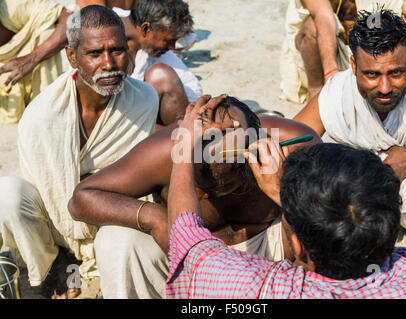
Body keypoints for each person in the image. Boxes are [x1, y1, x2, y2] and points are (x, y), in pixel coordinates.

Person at [165, 98, 406, 298]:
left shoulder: (257, 288)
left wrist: (185, 145)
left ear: (297, 247)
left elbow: (188, 239)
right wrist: (281, 192)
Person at [68, 94, 321, 298]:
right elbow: (81, 197)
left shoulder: (289, 144)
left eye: (225, 184)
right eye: (198, 187)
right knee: (116, 240)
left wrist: (282, 189)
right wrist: (154, 217)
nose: (204, 193)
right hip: (189, 262)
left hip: (271, 266)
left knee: (312, 217)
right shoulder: (167, 150)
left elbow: (336, 229)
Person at [0, 5, 159, 298]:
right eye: (95, 53)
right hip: (58, 226)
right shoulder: (41, 116)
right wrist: (67, 255)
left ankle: (101, 266)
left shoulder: (144, 99)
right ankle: (50, 272)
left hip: (109, 221)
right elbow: (47, 195)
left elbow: (140, 177)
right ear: (72, 57)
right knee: (7, 194)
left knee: (118, 240)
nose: (109, 63)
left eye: (117, 50)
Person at [293, 9, 406, 242]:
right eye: (372, 75)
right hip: (355, 204)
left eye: (396, 73)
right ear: (354, 65)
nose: (385, 87)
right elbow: (291, 141)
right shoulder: (337, 94)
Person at [280, 0, 406, 105]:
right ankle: (316, 93)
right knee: (311, 27)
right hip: (324, 54)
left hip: (365, 46)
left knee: (403, 13)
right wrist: (333, 76)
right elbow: (323, 17)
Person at [115, 0, 203, 126]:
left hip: (141, 122)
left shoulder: (152, 48)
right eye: (168, 41)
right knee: (160, 75)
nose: (172, 47)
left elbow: (194, 90)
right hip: (117, 127)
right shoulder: (105, 42)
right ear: (146, 29)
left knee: (160, 76)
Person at [0, 0, 72, 124]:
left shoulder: (12, 8)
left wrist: (31, 59)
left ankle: (46, 114)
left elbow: (71, 19)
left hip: (22, 69)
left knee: (47, 32)